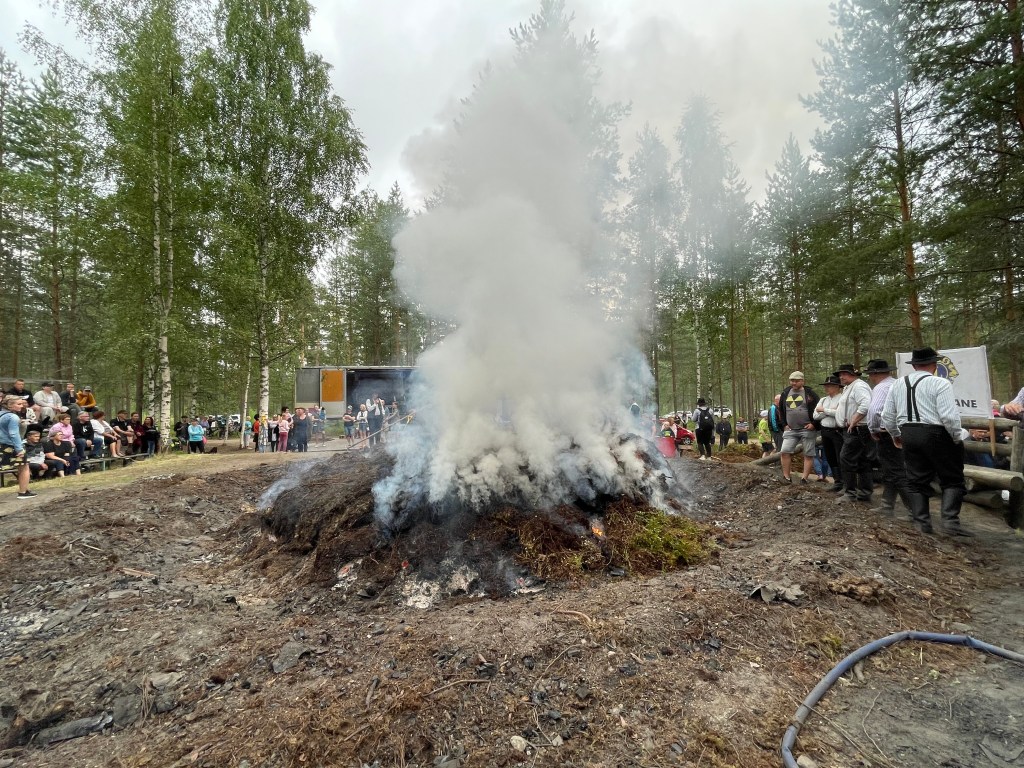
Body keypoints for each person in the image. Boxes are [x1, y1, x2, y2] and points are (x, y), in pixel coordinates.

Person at [881, 347, 971, 536]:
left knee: (916, 479)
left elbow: (887, 415)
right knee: (952, 477)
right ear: (935, 364)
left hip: (908, 433)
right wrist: (956, 437)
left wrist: (895, 434)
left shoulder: (897, 384)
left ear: (913, 365)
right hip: (936, 433)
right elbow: (948, 416)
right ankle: (950, 523)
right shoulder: (940, 383)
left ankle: (922, 523)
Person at [865, 359, 912, 516]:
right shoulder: (899, 384)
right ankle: (887, 505)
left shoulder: (881, 387)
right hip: (904, 430)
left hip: (887, 433)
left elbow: (875, 410)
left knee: (896, 471)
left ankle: (915, 511)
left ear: (874, 374)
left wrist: (872, 428)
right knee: (891, 471)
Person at [835, 363, 874, 504]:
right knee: (862, 460)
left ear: (853, 374)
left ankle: (850, 492)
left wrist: (853, 420)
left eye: (844, 374)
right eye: (840, 374)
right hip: (853, 429)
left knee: (846, 458)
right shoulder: (849, 388)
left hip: (857, 429)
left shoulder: (859, 386)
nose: (841, 376)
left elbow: (866, 404)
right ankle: (864, 492)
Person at [778, 371, 819, 483]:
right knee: (785, 451)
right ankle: (786, 477)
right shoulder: (786, 392)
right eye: (792, 381)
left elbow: (819, 409)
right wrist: (784, 425)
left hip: (807, 429)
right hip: (790, 429)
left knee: (808, 453)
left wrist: (814, 424)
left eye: (796, 381)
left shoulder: (810, 393)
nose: (793, 383)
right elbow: (781, 410)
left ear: (802, 381)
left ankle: (804, 478)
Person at [813, 375, 846, 493]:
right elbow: (815, 416)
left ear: (838, 386)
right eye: (826, 386)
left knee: (840, 457)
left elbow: (841, 414)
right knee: (830, 457)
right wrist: (830, 411)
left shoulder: (842, 398)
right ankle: (837, 482)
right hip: (825, 431)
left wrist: (824, 410)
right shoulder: (823, 400)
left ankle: (845, 482)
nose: (827, 388)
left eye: (830, 385)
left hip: (837, 431)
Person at [0, 395, 36, 498]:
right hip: (11, 445)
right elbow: (14, 434)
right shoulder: (13, 417)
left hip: (1, 444)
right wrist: (19, 448)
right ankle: (23, 492)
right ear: (10, 405)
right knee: (24, 467)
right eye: (19, 404)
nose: (22, 406)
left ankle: (26, 489)